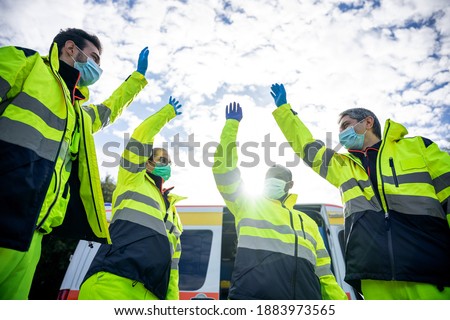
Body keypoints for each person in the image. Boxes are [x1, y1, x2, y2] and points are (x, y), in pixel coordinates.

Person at [0, 28, 149, 299]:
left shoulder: (76, 111)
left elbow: (107, 111)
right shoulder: (26, 63)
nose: (97, 67)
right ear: (70, 48)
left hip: (34, 234)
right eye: (93, 57)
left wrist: (137, 80)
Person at [270, 83, 450, 299]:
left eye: (346, 125)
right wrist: (284, 111)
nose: (342, 134)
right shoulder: (342, 166)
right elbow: (306, 147)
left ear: (368, 122)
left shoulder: (418, 148)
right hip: (373, 276)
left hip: (431, 271)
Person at [212, 102, 348, 300]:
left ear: (289, 184)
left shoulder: (308, 223)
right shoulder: (247, 205)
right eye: (269, 177)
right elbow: (224, 170)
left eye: (279, 178)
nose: (272, 181)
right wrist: (231, 126)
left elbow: (325, 275)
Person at [78, 96, 185, 300]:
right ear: (146, 162)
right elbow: (141, 136)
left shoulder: (173, 211)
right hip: (111, 285)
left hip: (150, 296)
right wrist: (167, 113)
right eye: (162, 159)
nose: (167, 164)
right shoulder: (132, 179)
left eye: (169, 162)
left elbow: (173, 266)